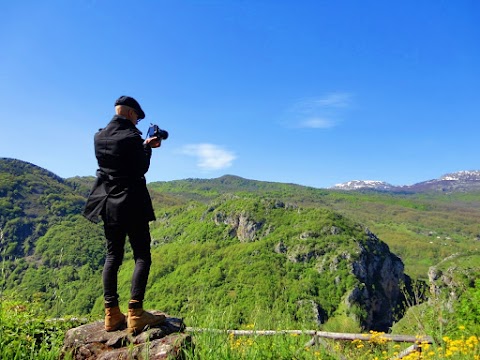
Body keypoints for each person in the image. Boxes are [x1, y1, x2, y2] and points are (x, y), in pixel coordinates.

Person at [84, 95, 165, 333]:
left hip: (107, 202)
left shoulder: (99, 136)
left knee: (113, 257)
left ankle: (111, 314)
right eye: (137, 119)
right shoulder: (132, 137)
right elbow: (140, 167)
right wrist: (148, 148)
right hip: (132, 202)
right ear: (131, 113)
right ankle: (136, 313)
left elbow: (116, 164)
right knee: (142, 256)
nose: (137, 123)